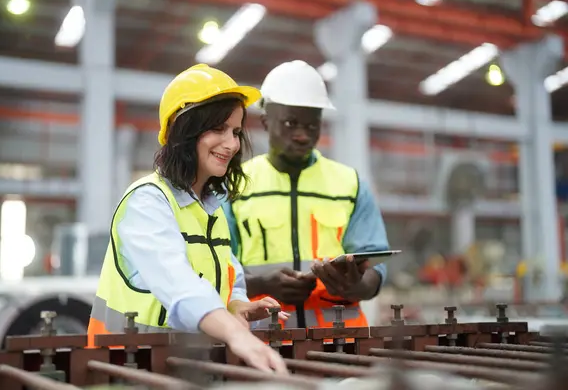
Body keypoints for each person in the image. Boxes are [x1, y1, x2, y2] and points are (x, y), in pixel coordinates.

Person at [87, 63, 289, 374]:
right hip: (129, 368)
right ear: (184, 132)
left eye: (236, 132)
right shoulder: (147, 202)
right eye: (218, 129)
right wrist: (237, 335)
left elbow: (226, 275)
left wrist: (237, 306)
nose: (233, 144)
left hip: (183, 367)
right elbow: (177, 283)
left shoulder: (209, 208)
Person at [222, 60, 389, 329]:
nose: (302, 135)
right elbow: (215, 269)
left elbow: (376, 266)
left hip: (342, 344)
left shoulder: (350, 184)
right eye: (291, 123)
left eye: (312, 126)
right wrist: (260, 285)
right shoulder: (234, 185)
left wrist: (356, 285)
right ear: (266, 121)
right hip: (262, 342)